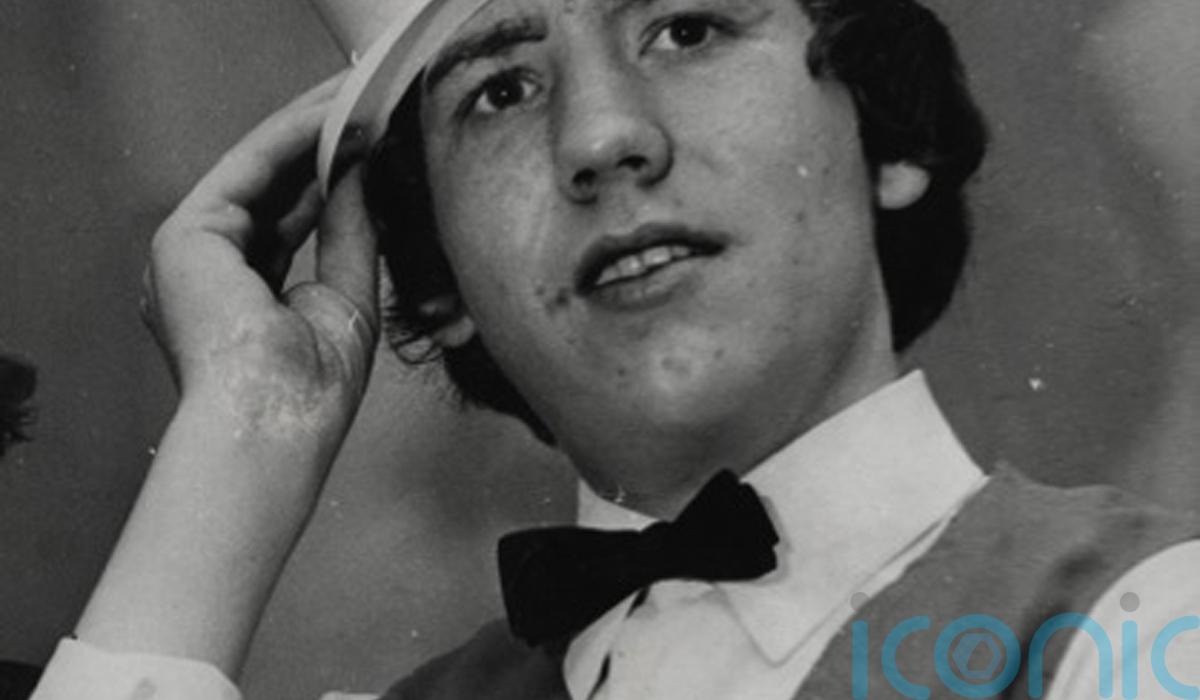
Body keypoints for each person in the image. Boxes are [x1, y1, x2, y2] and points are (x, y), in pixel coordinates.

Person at [28, 0, 1200, 697]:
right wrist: (244, 430)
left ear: (887, 132)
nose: (600, 137)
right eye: (500, 90)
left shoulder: (1144, 625)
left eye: (688, 29)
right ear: (438, 282)